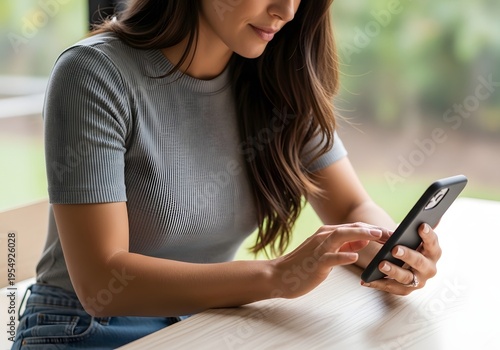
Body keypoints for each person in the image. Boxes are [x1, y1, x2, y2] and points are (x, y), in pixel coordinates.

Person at [12, 0, 441, 349]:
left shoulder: (275, 81)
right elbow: (102, 279)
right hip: (85, 330)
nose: (287, 10)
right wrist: (276, 276)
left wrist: (396, 253)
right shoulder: (94, 75)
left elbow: (349, 205)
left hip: (202, 325)